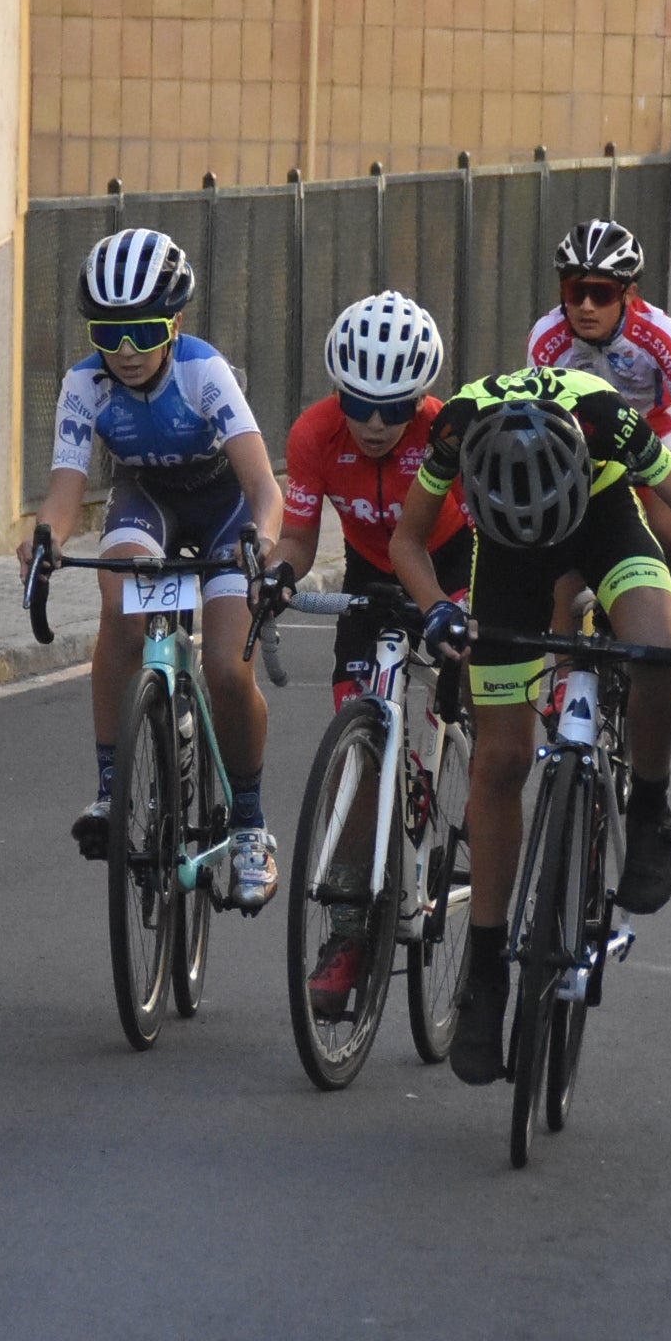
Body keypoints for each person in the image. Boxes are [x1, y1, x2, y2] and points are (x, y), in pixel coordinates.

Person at [386, 367, 671, 1087]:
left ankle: (649, 805)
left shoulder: (610, 419)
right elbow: (408, 542)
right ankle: (485, 972)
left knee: (660, 647)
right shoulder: (455, 430)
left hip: (604, 520)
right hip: (510, 560)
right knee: (501, 761)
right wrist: (436, 607)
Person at [23, 228, 286, 911]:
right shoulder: (84, 384)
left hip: (224, 510)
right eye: (110, 336)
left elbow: (264, 487)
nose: (129, 352)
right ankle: (114, 790)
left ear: (174, 323)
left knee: (229, 669)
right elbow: (63, 488)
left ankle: (252, 825)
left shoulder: (204, 372)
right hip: (147, 502)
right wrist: (45, 537)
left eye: (142, 331)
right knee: (122, 609)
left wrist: (261, 541)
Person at [257, 291, 473, 1014]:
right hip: (369, 576)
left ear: (420, 400)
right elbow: (296, 538)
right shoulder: (314, 435)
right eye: (361, 403)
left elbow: (491, 530)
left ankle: (470, 799)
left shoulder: (447, 431)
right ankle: (349, 933)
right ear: (337, 391)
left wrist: (466, 614)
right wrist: (279, 577)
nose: (377, 423)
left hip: (453, 566)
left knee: (478, 698)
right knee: (359, 751)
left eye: (395, 408)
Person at [524, 218, 671, 589]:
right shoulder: (546, 338)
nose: (585, 306)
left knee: (670, 536)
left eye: (602, 293)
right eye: (573, 290)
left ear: (629, 293)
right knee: (560, 572)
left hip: (652, 435)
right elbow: (540, 426)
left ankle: (663, 618)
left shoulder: (659, 332)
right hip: (584, 446)